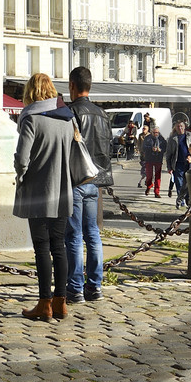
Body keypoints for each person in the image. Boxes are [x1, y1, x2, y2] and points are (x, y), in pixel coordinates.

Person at [13, 72, 75, 320]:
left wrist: (21, 175)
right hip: (62, 189)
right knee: (59, 245)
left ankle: (44, 303)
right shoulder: (67, 119)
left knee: (41, 247)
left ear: (31, 92)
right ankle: (61, 302)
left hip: (38, 191)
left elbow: (22, 158)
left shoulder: (31, 118)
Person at [64, 67, 109, 305]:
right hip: (95, 180)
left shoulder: (70, 112)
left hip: (75, 179)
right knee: (92, 233)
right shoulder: (102, 114)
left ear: (72, 85)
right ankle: (95, 285)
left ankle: (75, 288)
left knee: (73, 235)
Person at [166, 119, 191, 207]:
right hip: (177, 163)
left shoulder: (189, 136)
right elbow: (168, 154)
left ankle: (188, 199)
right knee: (179, 183)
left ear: (184, 127)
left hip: (188, 163)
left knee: (188, 183)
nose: (180, 128)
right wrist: (169, 167)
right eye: (178, 126)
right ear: (175, 128)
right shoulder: (172, 138)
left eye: (181, 126)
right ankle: (181, 201)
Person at [139, 122, 164, 198]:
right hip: (149, 159)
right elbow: (144, 148)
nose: (156, 134)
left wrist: (160, 150)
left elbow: (165, 147)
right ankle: (149, 186)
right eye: (154, 132)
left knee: (157, 176)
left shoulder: (161, 138)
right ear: (151, 132)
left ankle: (157, 192)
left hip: (158, 159)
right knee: (149, 175)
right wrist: (151, 148)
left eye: (157, 132)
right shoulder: (147, 138)